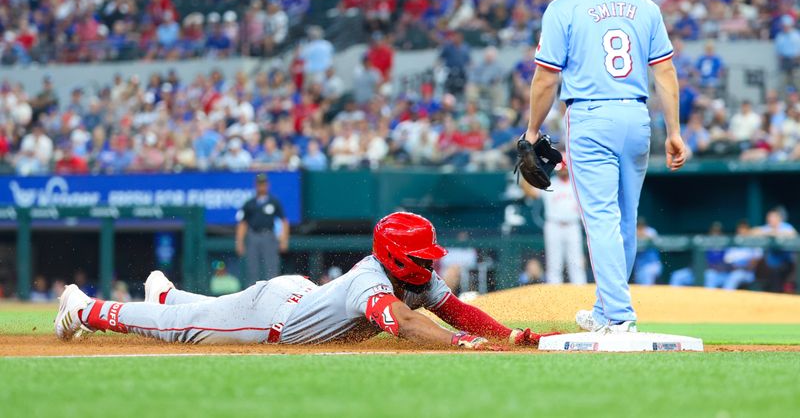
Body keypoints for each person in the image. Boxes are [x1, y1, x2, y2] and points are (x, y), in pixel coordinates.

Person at [54, 212, 554, 349]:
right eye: (421, 256)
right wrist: (463, 344)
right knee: (176, 329)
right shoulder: (371, 282)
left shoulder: (411, 277)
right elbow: (402, 323)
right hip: (271, 318)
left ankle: (167, 295)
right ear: (398, 257)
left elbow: (457, 311)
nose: (430, 264)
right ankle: (83, 307)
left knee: (190, 315)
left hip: (297, 298)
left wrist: (504, 334)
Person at [524, 0, 687, 334]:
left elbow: (546, 79)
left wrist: (530, 132)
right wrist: (674, 130)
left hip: (591, 116)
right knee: (623, 220)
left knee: (600, 219)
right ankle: (604, 310)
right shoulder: (645, 5)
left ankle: (618, 316)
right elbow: (665, 72)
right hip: (637, 116)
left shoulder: (564, 6)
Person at [521, 163, 587, 285]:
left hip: (573, 225)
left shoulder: (578, 183)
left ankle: (580, 291)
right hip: (554, 225)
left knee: (576, 262)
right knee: (554, 261)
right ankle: (554, 292)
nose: (562, 171)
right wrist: (525, 173)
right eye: (560, 169)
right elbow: (531, 193)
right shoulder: (550, 183)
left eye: (564, 168)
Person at [236, 173, 289, 285]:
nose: (262, 187)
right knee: (252, 269)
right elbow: (243, 223)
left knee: (271, 269)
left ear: (268, 185)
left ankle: (272, 295)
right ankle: (252, 298)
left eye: (264, 184)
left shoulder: (274, 202)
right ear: (256, 185)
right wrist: (239, 242)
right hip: (253, 236)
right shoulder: (249, 203)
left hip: (268, 236)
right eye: (260, 184)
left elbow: (284, 221)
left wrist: (284, 239)